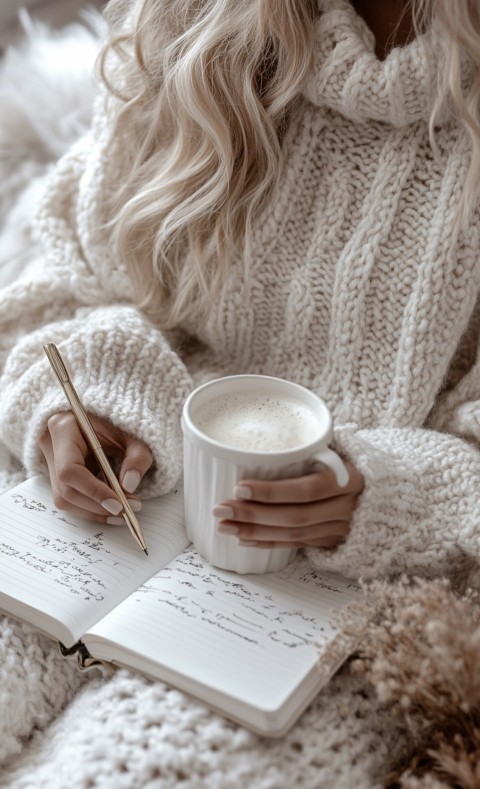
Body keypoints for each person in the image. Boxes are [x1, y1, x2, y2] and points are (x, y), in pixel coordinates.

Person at [0, 0, 479, 581]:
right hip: (103, 535)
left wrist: (398, 499)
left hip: (362, 594)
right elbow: (62, 282)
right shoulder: (182, 25)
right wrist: (95, 384)